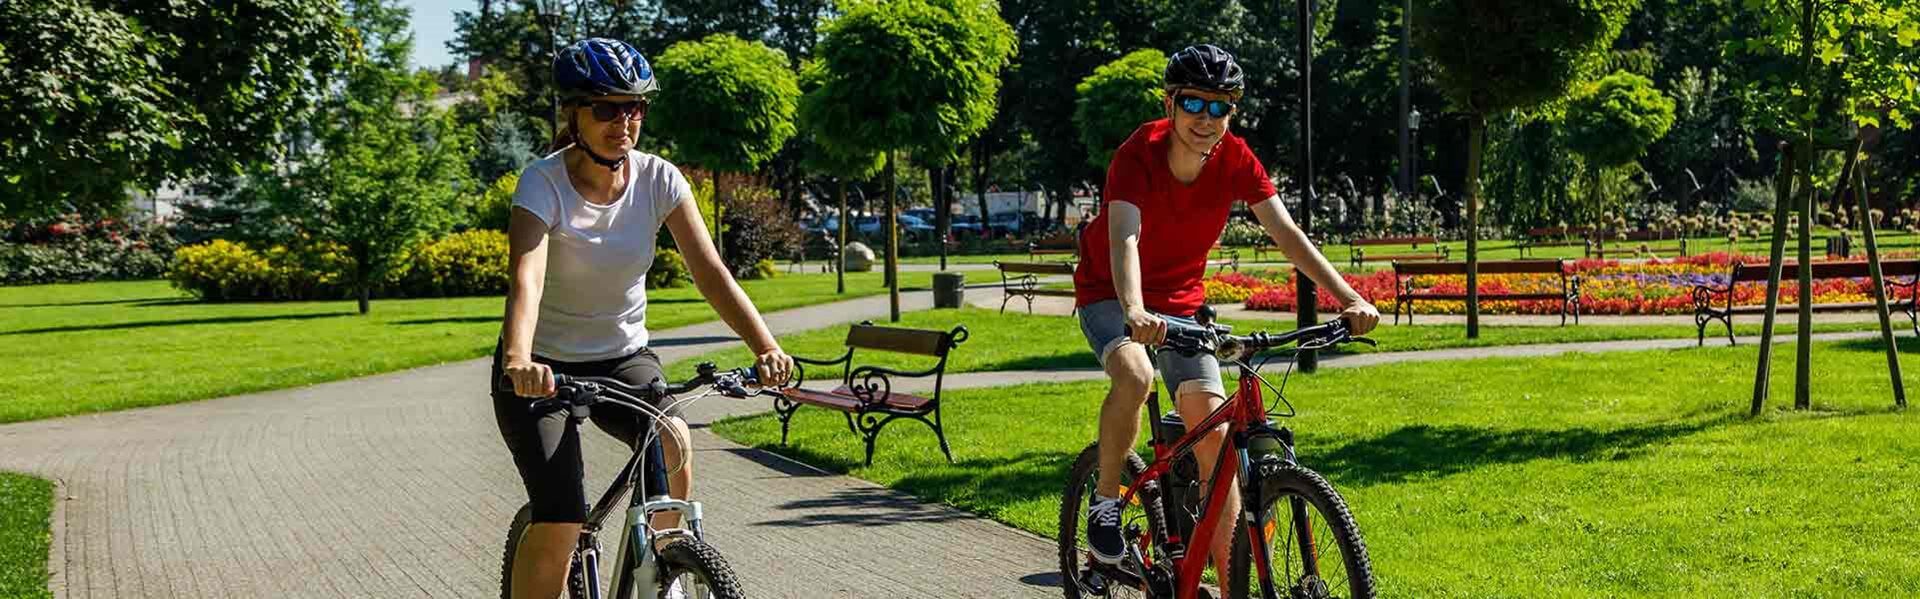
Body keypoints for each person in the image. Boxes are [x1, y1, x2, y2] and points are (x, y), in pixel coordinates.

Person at [491, 38, 795, 599]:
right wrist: (518, 359)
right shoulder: (543, 182)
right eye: (606, 108)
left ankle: (663, 571)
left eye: (634, 107)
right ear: (574, 114)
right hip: (543, 368)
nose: (624, 122)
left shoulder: (660, 179)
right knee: (561, 518)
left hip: (624, 357)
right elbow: (526, 278)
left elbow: (711, 273)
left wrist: (765, 347)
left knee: (674, 438)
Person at [1073, 44, 1381, 581]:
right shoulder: (1137, 154)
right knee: (1136, 374)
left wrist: (1348, 296)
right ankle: (1104, 501)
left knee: (1217, 444)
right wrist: (1135, 309)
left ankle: (1231, 579)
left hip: (1182, 304)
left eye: (1220, 107)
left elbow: (1286, 232)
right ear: (1170, 103)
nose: (1206, 118)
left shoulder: (1236, 158)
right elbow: (1125, 237)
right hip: (1111, 293)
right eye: (1194, 103)